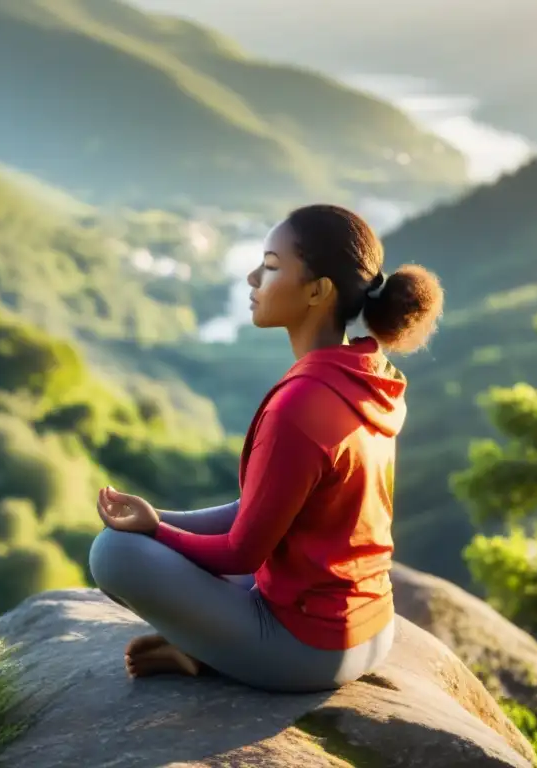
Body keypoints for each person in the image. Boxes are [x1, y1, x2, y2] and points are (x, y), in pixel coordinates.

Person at [88, 204, 444, 693]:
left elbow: (242, 551)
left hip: (310, 650)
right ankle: (211, 649)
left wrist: (153, 534)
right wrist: (159, 519)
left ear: (318, 291)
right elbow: (260, 507)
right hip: (370, 625)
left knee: (113, 553)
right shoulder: (365, 373)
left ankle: (217, 652)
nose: (254, 277)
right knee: (149, 546)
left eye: (272, 266)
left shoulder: (302, 404)